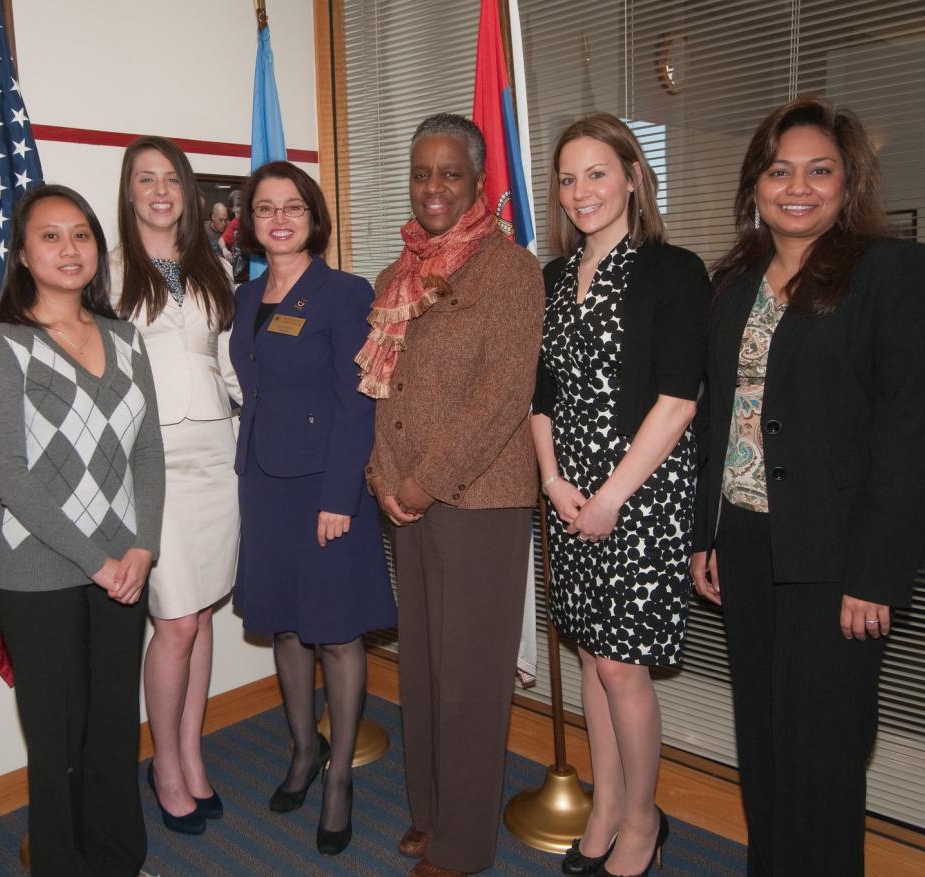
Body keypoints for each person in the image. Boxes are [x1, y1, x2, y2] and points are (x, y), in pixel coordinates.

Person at [691, 97, 925, 877]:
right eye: (780, 170)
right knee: (765, 744)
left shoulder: (894, 271)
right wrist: (706, 531)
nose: (798, 186)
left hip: (836, 557)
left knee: (824, 755)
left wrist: (877, 572)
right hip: (744, 540)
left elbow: (908, 435)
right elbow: (718, 414)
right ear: (756, 185)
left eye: (819, 170)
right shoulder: (732, 282)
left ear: (848, 182)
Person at [362, 113, 543, 877]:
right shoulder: (395, 273)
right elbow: (382, 388)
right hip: (405, 499)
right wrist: (382, 477)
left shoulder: (511, 270)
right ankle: (431, 812)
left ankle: (463, 847)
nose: (433, 188)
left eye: (449, 174)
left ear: (477, 183)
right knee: (425, 669)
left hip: (478, 501)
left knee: (470, 677)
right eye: (421, 173)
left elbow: (503, 397)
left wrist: (422, 480)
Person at [531, 114, 709, 877]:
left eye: (597, 173)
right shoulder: (550, 278)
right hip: (568, 493)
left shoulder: (674, 270)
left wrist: (608, 497)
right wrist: (552, 478)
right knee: (589, 652)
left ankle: (643, 819)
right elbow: (539, 394)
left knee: (620, 667)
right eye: (568, 179)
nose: (582, 192)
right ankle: (604, 805)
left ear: (634, 175)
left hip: (638, 495)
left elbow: (677, 399)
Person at [0, 184, 165, 876]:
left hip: (125, 566)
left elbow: (147, 450)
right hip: (36, 572)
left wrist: (142, 546)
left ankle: (119, 857)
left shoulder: (124, 336)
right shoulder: (3, 347)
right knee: (58, 741)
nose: (69, 248)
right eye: (50, 236)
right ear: (21, 254)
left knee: (114, 726)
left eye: (81, 234)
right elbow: (8, 477)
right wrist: (98, 559)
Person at [230, 160, 395, 856]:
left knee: (334, 632)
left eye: (292, 206)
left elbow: (358, 401)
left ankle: (338, 782)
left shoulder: (344, 291)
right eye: (265, 207)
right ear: (250, 221)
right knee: (285, 627)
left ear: (313, 216)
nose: (279, 217)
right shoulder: (247, 295)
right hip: (265, 483)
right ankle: (303, 750)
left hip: (325, 486)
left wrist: (340, 497)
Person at [111, 135, 239, 836]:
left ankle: (192, 753)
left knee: (204, 612)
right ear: (128, 190)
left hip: (217, 455)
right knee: (177, 620)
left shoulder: (211, 261)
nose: (160, 191)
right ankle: (164, 762)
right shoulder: (103, 271)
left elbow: (226, 361)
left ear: (188, 194)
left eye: (171, 180)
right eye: (145, 179)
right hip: (149, 462)